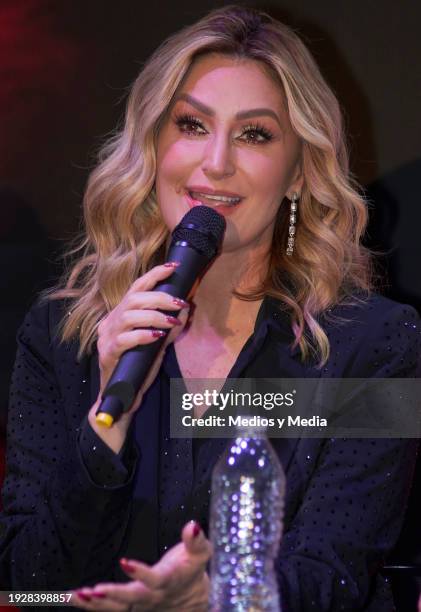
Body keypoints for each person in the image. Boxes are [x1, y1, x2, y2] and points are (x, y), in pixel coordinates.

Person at [0, 5, 419, 611]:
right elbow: (29, 581)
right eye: (191, 125)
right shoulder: (61, 337)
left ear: (299, 171)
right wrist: (104, 422)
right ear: (152, 145)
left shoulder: (372, 343)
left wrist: (219, 595)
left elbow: (338, 575)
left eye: (255, 134)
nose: (216, 161)